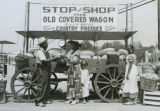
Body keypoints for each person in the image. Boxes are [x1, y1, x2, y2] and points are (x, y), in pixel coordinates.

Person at [34, 37, 59, 107]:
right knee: (41, 85)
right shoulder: (40, 52)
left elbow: (50, 59)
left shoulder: (46, 51)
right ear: (43, 44)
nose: (47, 44)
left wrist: (57, 58)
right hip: (41, 69)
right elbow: (44, 61)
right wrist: (55, 58)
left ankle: (44, 100)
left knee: (47, 85)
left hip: (46, 69)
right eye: (46, 43)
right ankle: (38, 101)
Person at [61, 41, 82, 105]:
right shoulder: (71, 51)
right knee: (70, 83)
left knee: (76, 83)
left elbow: (73, 61)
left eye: (72, 45)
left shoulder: (78, 52)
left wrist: (66, 57)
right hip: (70, 68)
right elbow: (66, 58)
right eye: (71, 45)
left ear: (76, 46)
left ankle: (77, 99)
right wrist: (64, 55)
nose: (71, 46)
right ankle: (70, 98)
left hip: (76, 68)